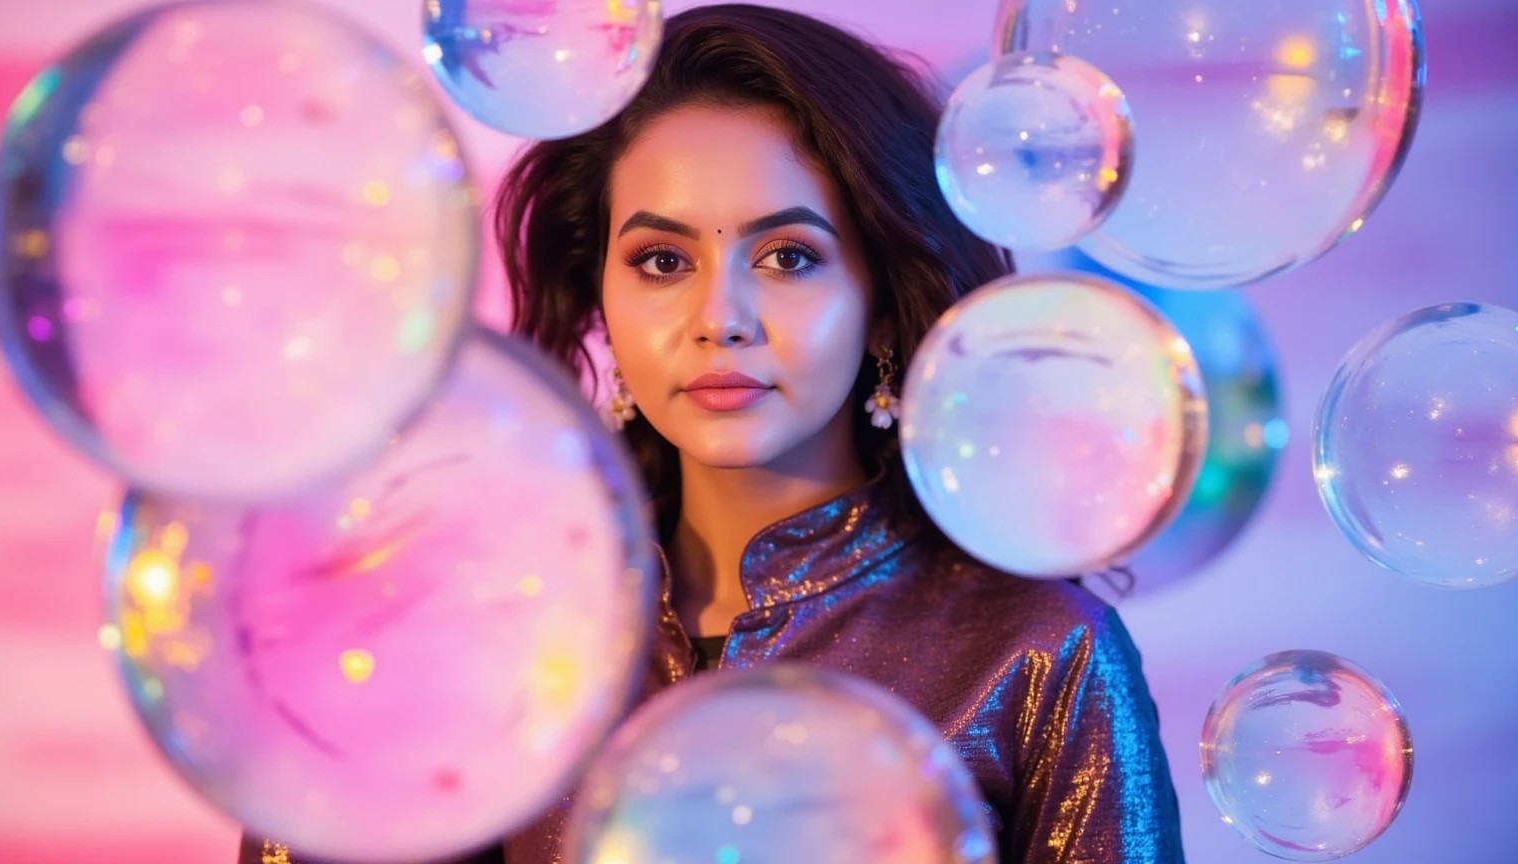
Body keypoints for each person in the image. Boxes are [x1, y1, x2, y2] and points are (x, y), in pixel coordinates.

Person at [241, 4, 1184, 862]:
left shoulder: (1038, 655)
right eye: (661, 259)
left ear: (884, 300)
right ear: (600, 300)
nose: (719, 316)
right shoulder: (498, 630)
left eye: (788, 257)